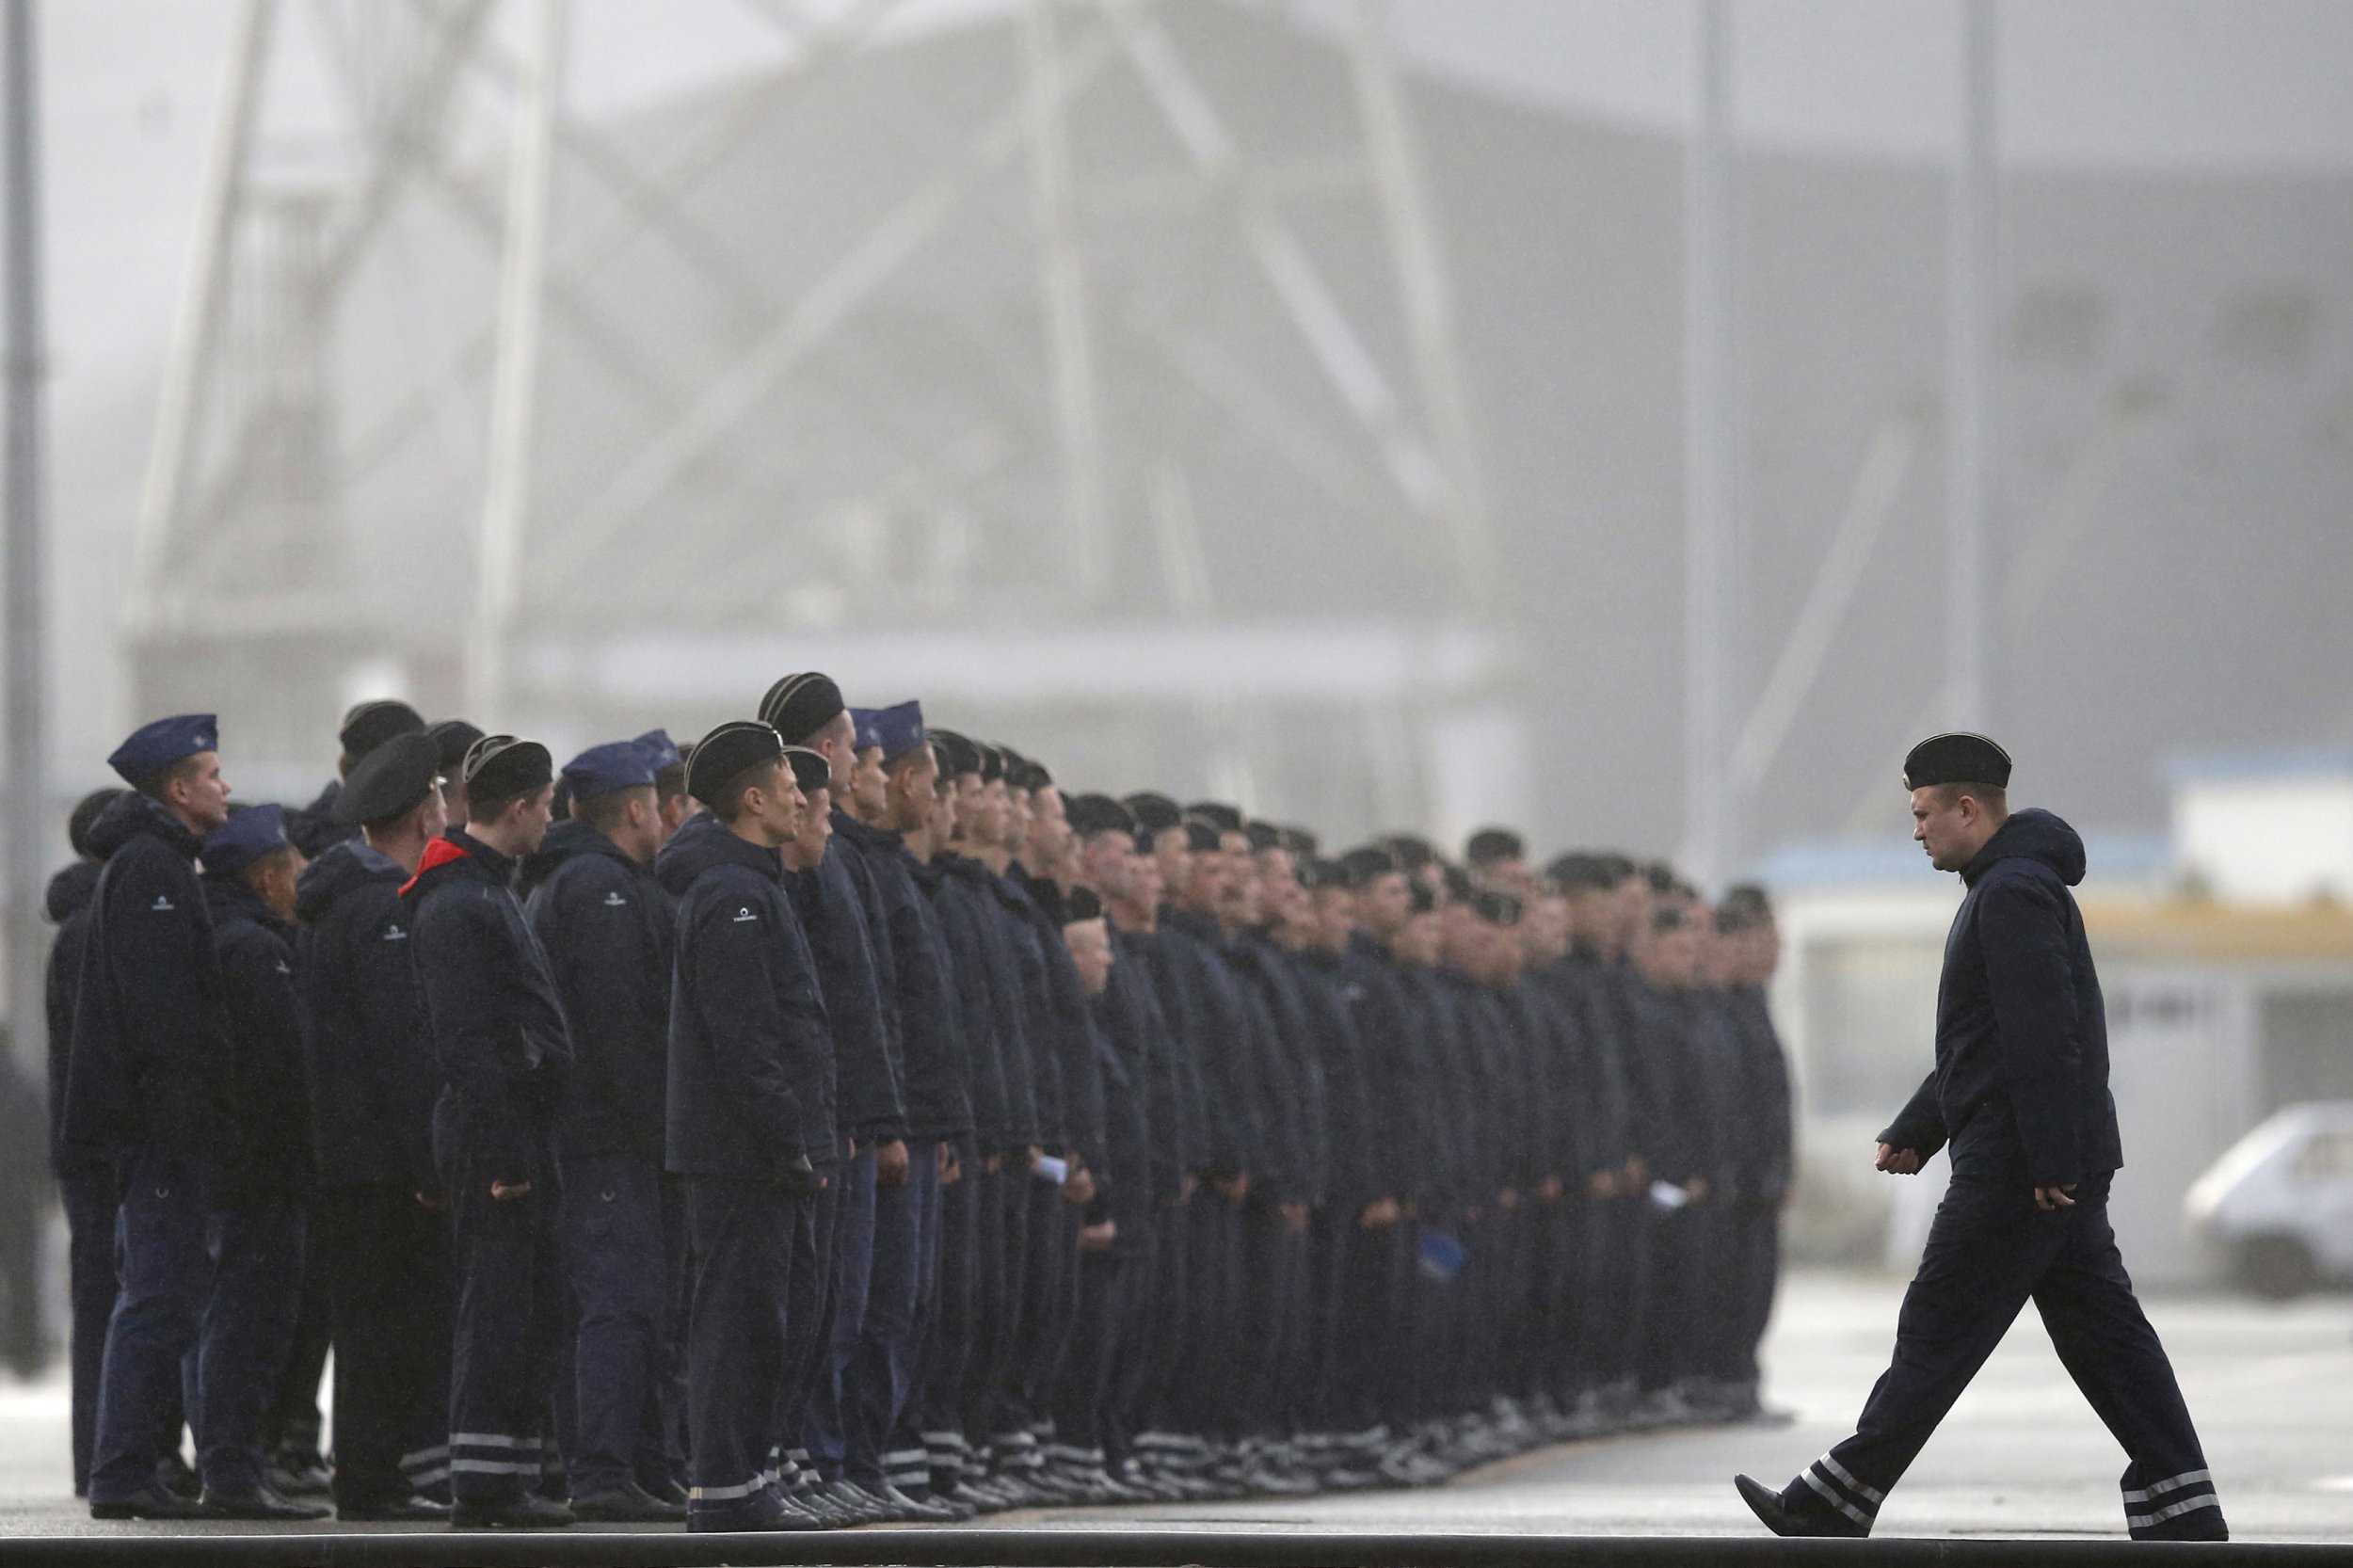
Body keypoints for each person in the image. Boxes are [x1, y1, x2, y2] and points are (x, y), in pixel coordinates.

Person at [1737, 732, 2227, 1544]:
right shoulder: (2010, 888)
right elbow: (1989, 1044)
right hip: (2037, 1156)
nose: (1918, 830)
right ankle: (2185, 1508)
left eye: (1925, 814)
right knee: (2108, 1344)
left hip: (2017, 1168)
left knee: (1939, 1327)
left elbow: (2044, 1038)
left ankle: (1832, 1500)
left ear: (1970, 809)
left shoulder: (2010, 896)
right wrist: (1920, 1128)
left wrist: (2045, 1158)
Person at [657, 721, 831, 1533]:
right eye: (791, 784)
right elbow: (746, 1036)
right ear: (754, 800)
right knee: (736, 1320)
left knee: (765, 1318)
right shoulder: (732, 894)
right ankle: (724, 1488)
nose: (805, 796)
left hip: (755, 1149)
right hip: (739, 1154)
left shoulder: (753, 885)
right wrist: (785, 1137)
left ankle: (743, 1479)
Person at [404, 734, 575, 1530]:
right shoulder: (457, 902)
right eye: (544, 807)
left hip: (517, 1125)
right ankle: (482, 1484)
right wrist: (506, 1153)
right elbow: (469, 1044)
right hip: (493, 1134)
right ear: (517, 808)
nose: (550, 820)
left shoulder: (486, 890)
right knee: (497, 1304)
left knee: (531, 1302)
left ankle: (505, 1472)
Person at [69, 716, 236, 1521]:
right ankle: (122, 1469)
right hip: (162, 1131)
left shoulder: (160, 863)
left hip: (163, 1127)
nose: (224, 787)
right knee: (157, 1295)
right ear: (177, 790)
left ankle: (132, 1463)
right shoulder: (153, 870)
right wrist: (188, 1119)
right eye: (211, 774)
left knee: (162, 1291)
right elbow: (164, 1015)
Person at [295, 731, 456, 1521]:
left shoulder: (339, 902)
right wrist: (429, 1167)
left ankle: (371, 1474)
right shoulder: (379, 909)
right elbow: (403, 1052)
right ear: (423, 815)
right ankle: (371, 1480)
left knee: (371, 1324)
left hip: (350, 1156)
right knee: (384, 1327)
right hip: (381, 1165)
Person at [524, 742, 682, 1523]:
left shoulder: (589, 881)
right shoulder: (599, 889)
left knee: (624, 1302)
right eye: (656, 804)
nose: (664, 817)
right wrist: (663, 1134)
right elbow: (622, 1033)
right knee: (618, 1303)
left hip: (599, 1134)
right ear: (633, 811)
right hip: (607, 1137)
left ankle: (628, 1465)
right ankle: (603, 1470)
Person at [192, 805, 328, 1519]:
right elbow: (281, 1073)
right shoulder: (257, 950)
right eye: (297, 869)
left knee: (232, 1322)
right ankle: (233, 1473)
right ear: (269, 878)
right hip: (264, 1174)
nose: (306, 880)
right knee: (248, 1327)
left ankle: (232, 1467)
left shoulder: (230, 937)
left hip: (241, 1169)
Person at [44, 786, 129, 1498]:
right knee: (105, 1296)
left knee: (104, 1295)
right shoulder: (92, 928)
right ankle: (100, 1455)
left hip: (87, 1143)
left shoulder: (82, 922)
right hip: (98, 1148)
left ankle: (103, 1452)